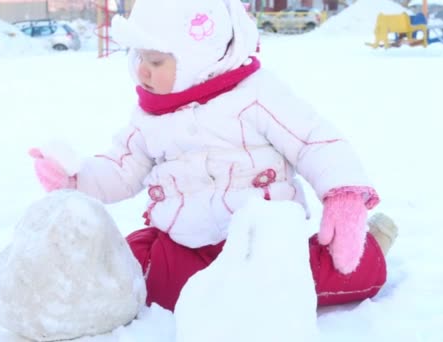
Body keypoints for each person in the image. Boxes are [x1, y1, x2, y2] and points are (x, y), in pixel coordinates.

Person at [29, 0, 398, 312]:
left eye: (156, 61)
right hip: (184, 246)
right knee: (133, 270)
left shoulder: (255, 94)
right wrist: (75, 180)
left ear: (197, 57)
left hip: (259, 240)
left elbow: (314, 140)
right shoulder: (149, 117)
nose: (142, 70)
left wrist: (344, 194)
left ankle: (373, 246)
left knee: (312, 278)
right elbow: (121, 168)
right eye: (139, 56)